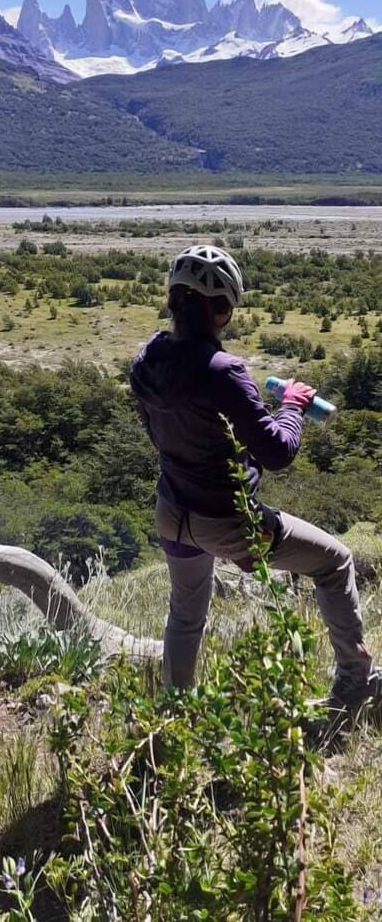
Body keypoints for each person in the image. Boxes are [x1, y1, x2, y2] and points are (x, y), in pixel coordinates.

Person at [130, 244, 381, 709]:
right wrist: (293, 406)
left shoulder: (147, 359)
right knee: (335, 562)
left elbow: (174, 430)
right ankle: (354, 681)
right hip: (227, 519)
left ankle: (173, 714)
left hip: (173, 510)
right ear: (221, 309)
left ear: (172, 299)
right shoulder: (224, 372)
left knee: (185, 617)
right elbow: (279, 450)